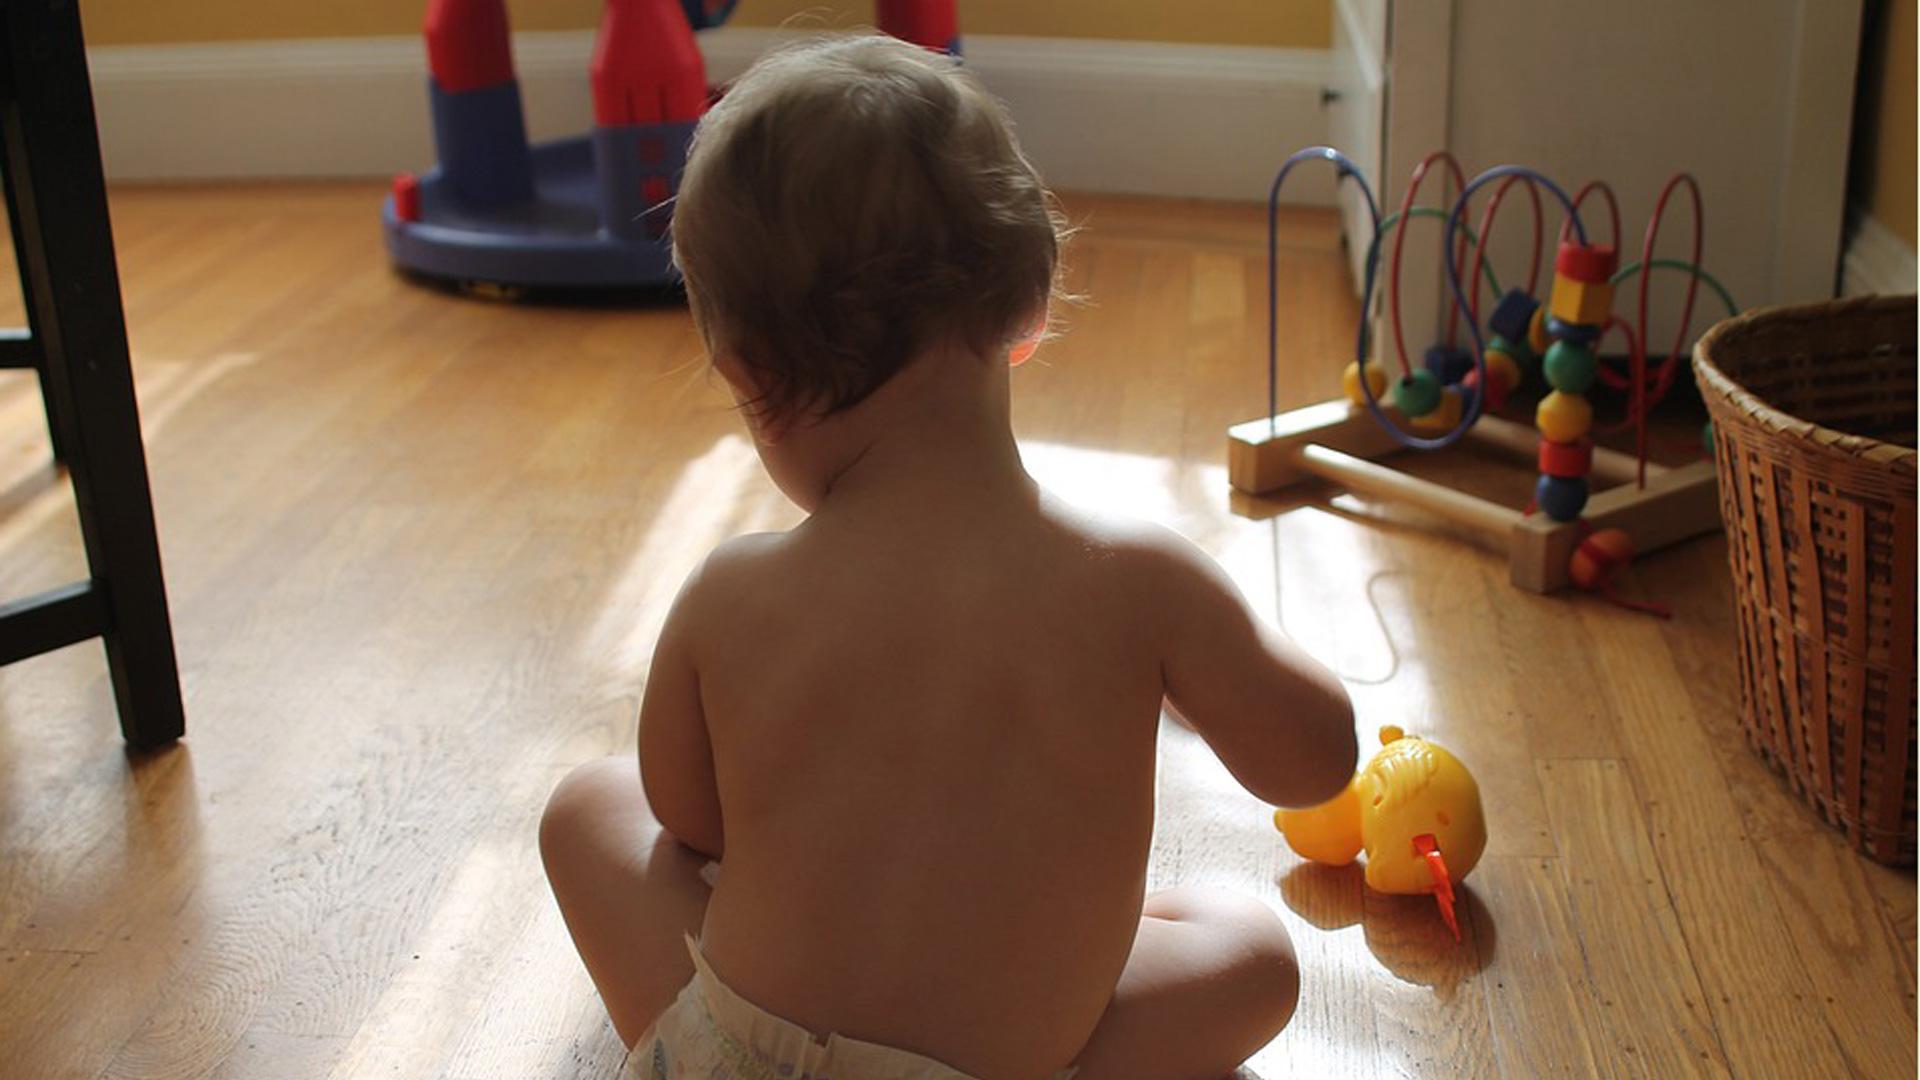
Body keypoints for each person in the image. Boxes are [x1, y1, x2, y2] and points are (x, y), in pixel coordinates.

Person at [539, 33, 1357, 1079]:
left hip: (740, 1063)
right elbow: (1315, 761)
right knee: (1252, 954)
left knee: (585, 811)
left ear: (745, 374)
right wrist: (1200, 666)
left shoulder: (728, 592)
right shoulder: (1143, 581)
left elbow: (691, 823)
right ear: (1030, 310)